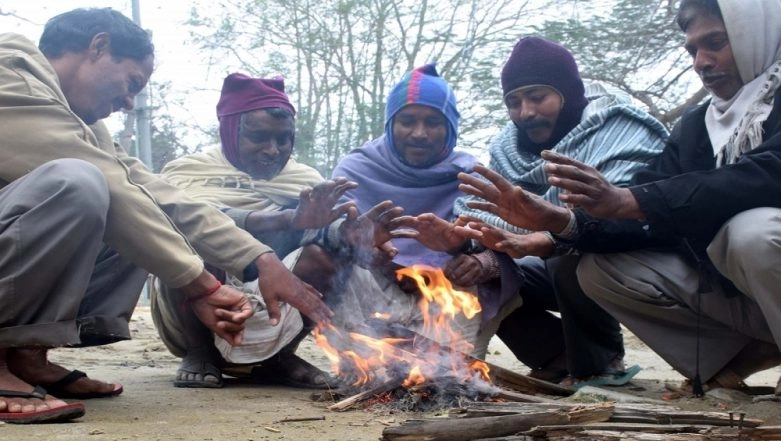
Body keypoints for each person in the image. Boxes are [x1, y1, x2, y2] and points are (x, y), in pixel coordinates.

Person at [0, 8, 331, 424]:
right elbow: (113, 189)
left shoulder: (80, 122)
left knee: (142, 216)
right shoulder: (8, 77)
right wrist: (201, 286)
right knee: (80, 183)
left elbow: (155, 194)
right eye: (131, 84)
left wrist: (259, 260)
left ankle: (27, 354)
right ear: (97, 47)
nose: (128, 102)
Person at [458, 0, 781, 397]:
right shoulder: (698, 126)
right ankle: (736, 357)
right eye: (693, 50)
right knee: (599, 269)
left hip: (765, 259)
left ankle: (596, 361)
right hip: (735, 289)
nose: (701, 62)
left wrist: (625, 201)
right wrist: (564, 223)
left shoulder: (624, 127)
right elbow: (652, 216)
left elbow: (768, 173)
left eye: (715, 43)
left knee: (751, 232)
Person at [449, 36, 667, 386]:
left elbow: (624, 217)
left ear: (568, 95)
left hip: (632, 264)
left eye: (538, 97)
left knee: (575, 251)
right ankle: (555, 356)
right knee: (481, 272)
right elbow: (488, 209)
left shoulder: (622, 129)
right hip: (547, 263)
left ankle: (600, 363)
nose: (527, 112)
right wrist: (473, 246)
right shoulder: (507, 149)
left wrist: (553, 228)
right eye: (514, 102)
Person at [150, 73, 356, 389]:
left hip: (275, 293)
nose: (272, 150)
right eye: (258, 137)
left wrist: (357, 235)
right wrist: (284, 220)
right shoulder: (190, 172)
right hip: (198, 299)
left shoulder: (303, 178)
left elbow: (323, 231)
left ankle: (278, 357)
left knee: (327, 256)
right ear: (230, 132)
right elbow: (195, 219)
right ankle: (201, 351)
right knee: (190, 242)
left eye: (283, 139)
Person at [302, 63, 491, 357]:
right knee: (330, 258)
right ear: (391, 123)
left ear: (450, 128)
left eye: (433, 122)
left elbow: (493, 237)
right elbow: (326, 229)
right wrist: (362, 244)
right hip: (372, 291)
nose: (419, 133)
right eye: (407, 121)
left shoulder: (469, 175)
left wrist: (462, 246)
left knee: (446, 374)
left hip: (443, 294)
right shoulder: (356, 168)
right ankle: (357, 353)